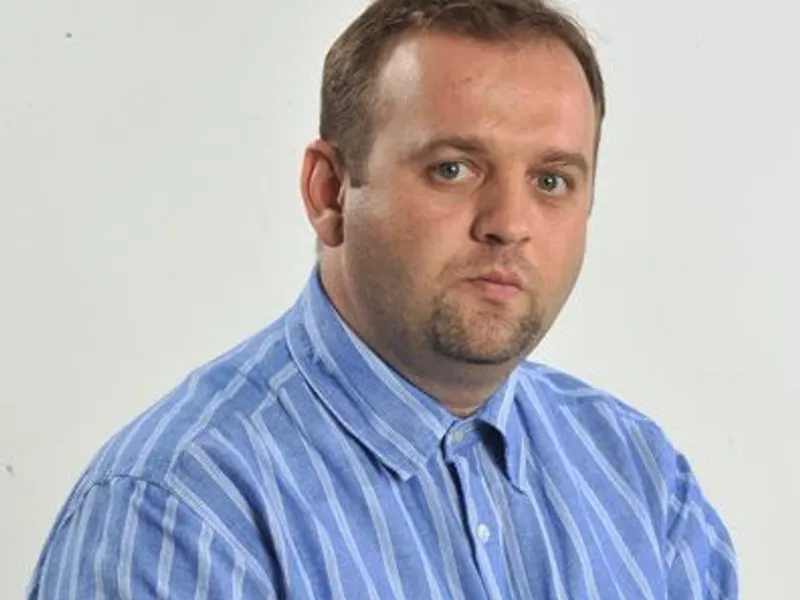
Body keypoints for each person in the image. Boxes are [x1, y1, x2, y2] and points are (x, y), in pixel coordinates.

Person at [28, 0, 738, 598]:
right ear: (330, 192)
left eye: (551, 180)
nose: (509, 223)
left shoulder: (642, 479)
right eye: (453, 168)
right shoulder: (179, 509)